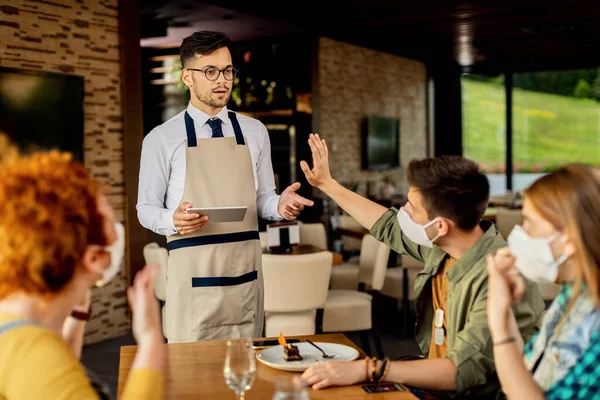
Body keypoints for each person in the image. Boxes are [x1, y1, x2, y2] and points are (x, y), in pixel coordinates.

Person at [298, 134, 544, 398]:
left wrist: (369, 368)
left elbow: (460, 371)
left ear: (441, 225)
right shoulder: (445, 245)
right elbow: (388, 226)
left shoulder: (499, 277)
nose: (404, 211)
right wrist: (329, 185)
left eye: (411, 207)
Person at [137, 31, 313, 343]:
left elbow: (263, 199)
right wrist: (171, 220)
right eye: (210, 71)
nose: (223, 80)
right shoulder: (161, 138)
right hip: (192, 272)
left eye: (228, 70)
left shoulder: (256, 132)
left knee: (246, 369)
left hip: (245, 270)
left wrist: (280, 206)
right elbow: (146, 209)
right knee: (190, 375)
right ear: (187, 77)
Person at [0, 150, 165, 399]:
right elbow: (44, 365)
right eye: (112, 223)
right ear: (95, 257)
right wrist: (151, 337)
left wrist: (77, 309)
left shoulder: (20, 325)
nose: (118, 233)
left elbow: (61, 369)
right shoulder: (30, 350)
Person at [487, 164, 600, 399]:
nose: (519, 233)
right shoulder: (574, 292)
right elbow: (525, 379)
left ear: (569, 237)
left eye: (529, 222)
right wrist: (505, 312)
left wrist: (498, 325)